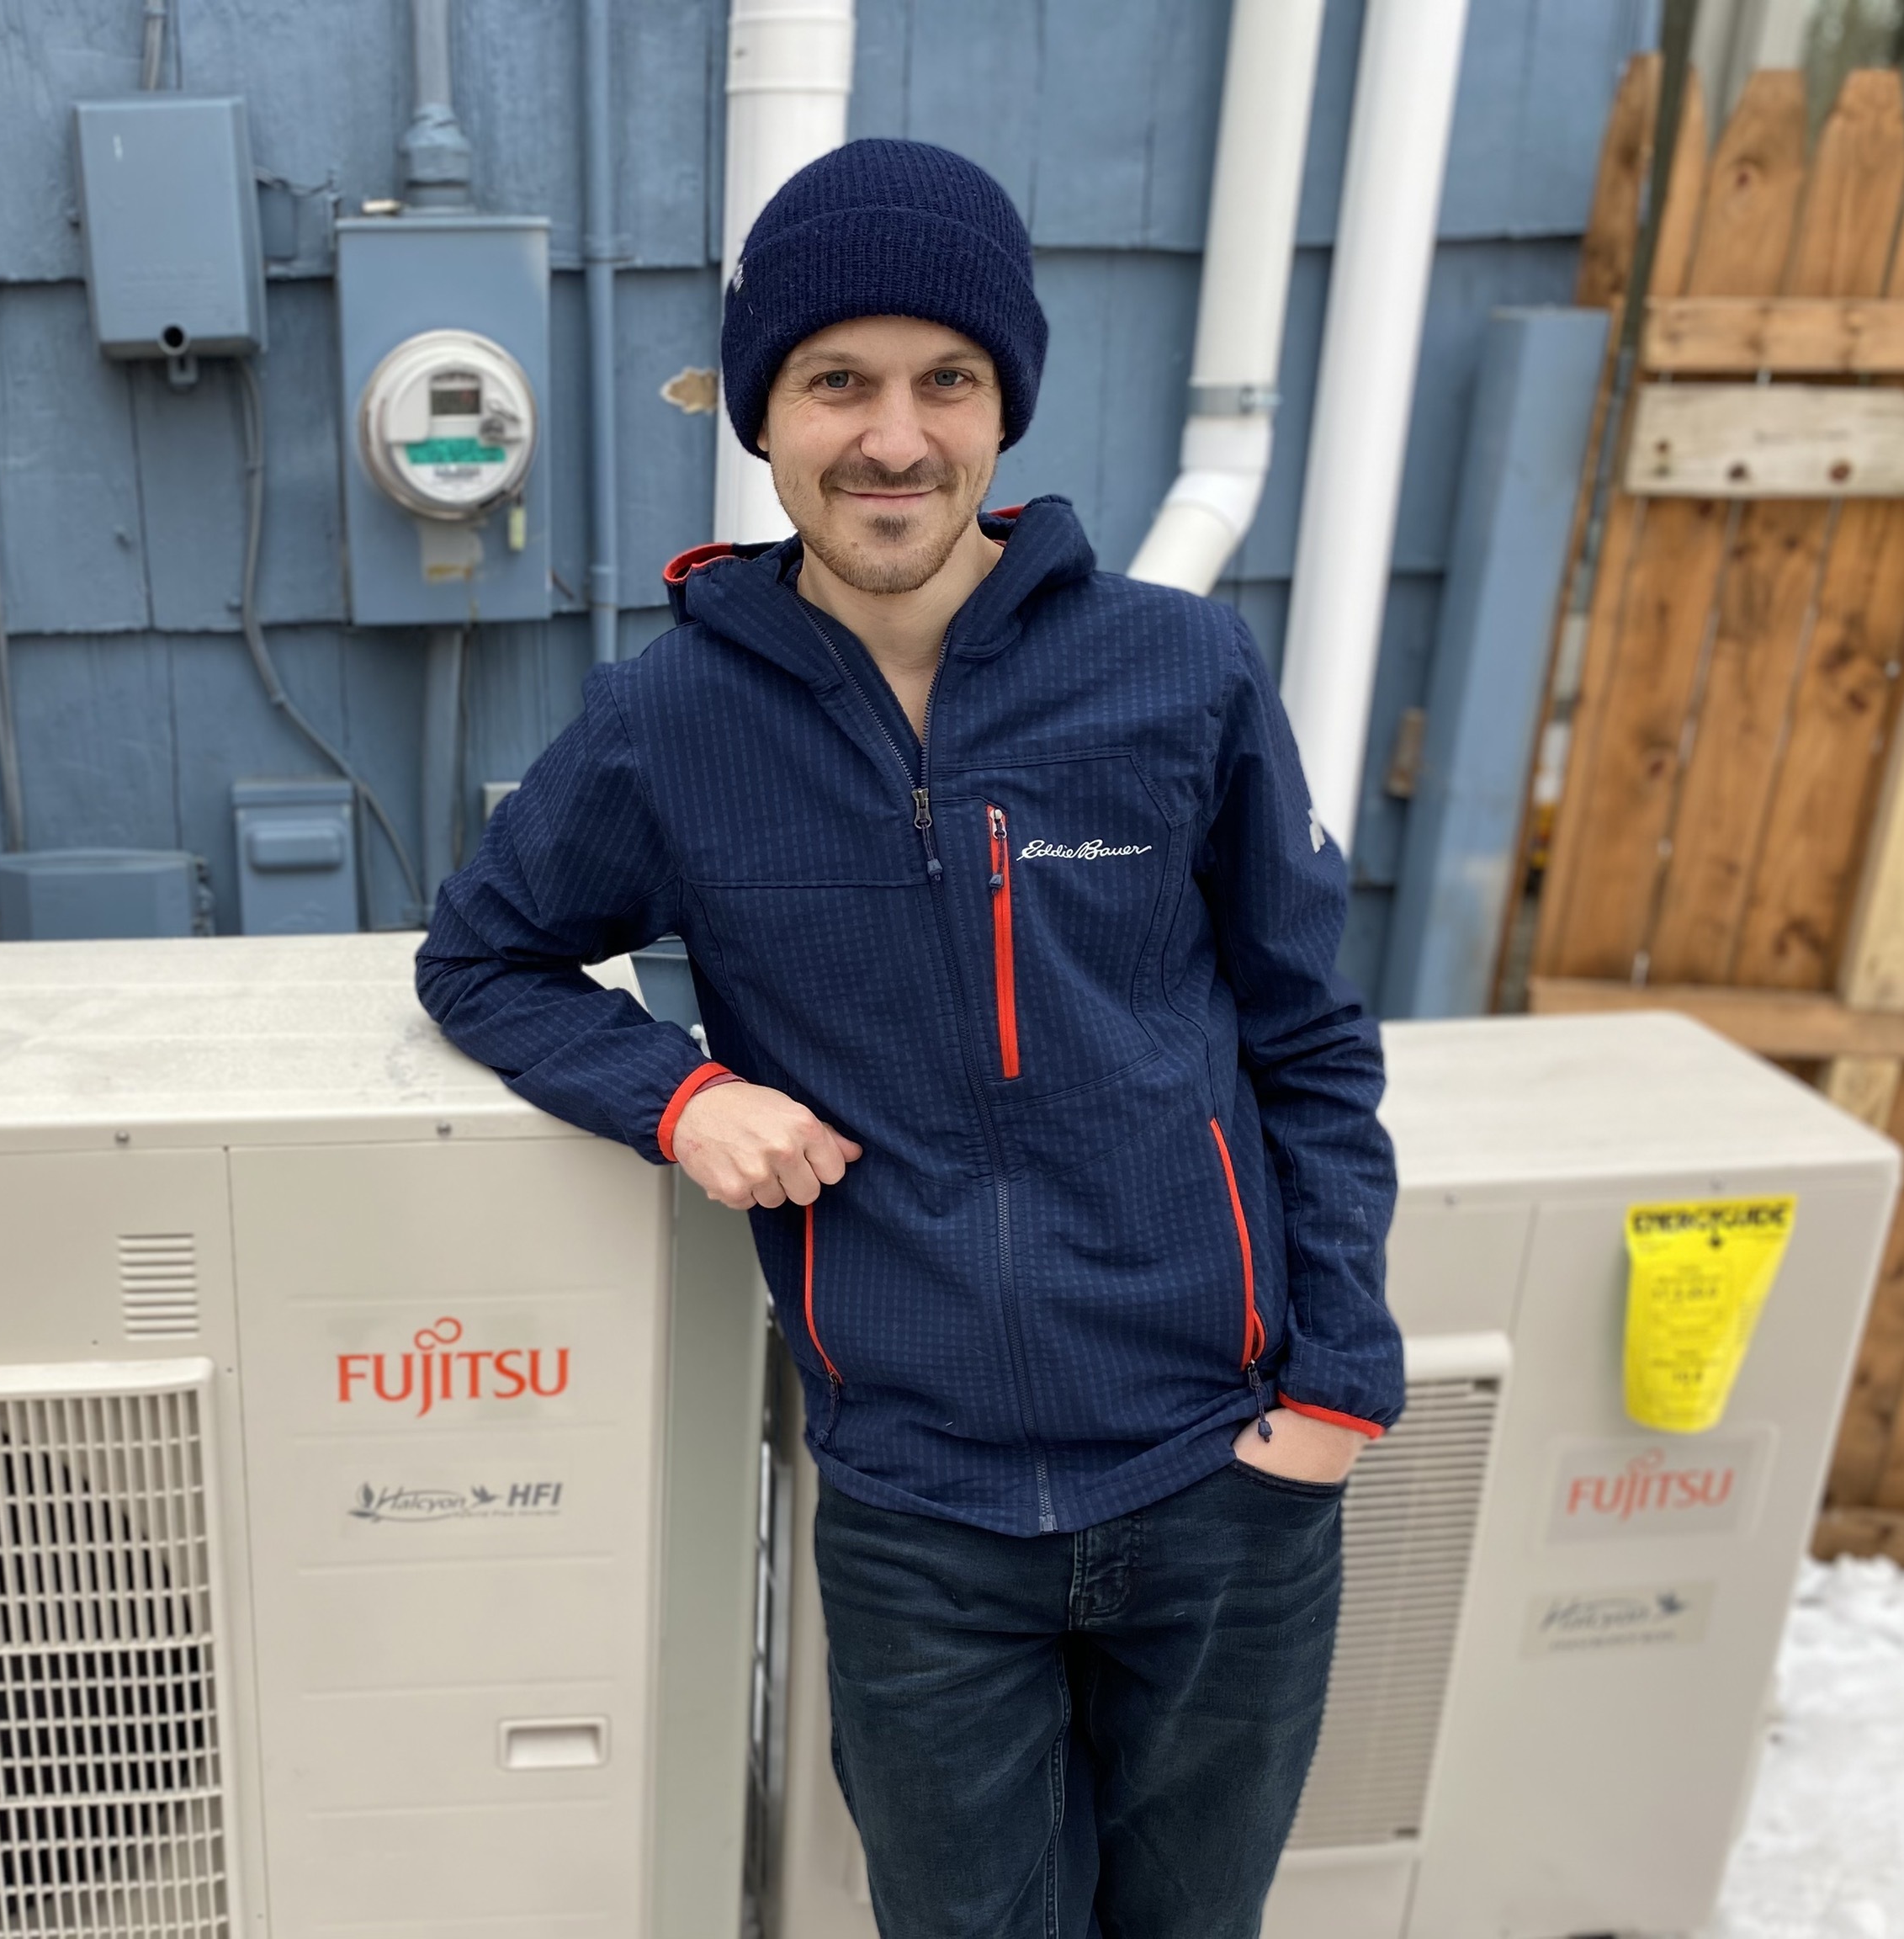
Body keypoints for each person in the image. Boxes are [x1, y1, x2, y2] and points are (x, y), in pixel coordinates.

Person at [416, 139, 1400, 1936]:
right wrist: (677, 1093)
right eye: (835, 382)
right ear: (765, 415)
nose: (891, 438)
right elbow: (481, 961)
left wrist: (1332, 1390)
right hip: (919, 1515)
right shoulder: (669, 723)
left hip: (1218, 1478)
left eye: (942, 380)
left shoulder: (1177, 674)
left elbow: (1308, 1041)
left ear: (1000, 406)